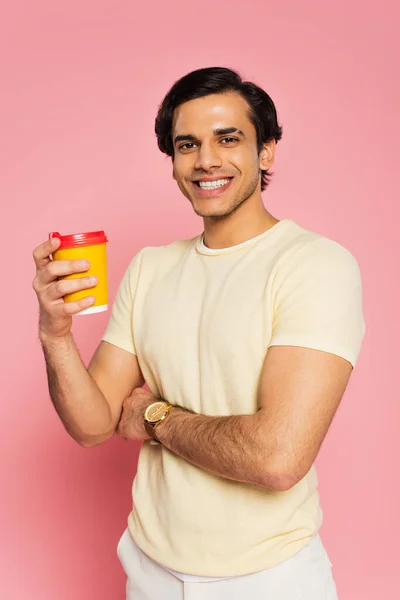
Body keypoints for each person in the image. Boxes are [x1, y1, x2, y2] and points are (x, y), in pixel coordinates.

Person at [32, 67, 365, 599]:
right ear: (173, 163)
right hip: (150, 571)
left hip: (268, 578)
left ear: (267, 151)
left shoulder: (315, 265)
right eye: (188, 145)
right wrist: (55, 335)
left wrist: (155, 416)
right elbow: (93, 424)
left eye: (228, 139)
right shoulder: (150, 268)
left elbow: (278, 458)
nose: (206, 159)